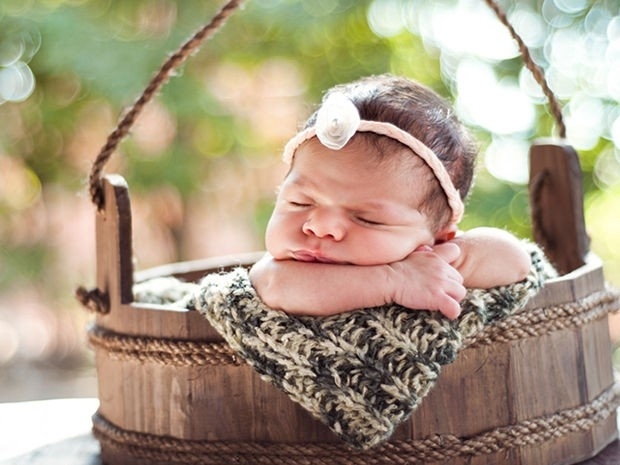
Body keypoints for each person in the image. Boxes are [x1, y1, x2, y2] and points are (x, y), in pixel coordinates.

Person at [249, 74, 531, 320]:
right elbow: (275, 285)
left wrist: (439, 262)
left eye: (367, 218)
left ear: (438, 235)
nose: (320, 226)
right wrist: (393, 281)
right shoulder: (279, 271)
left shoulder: (426, 260)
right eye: (300, 202)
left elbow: (515, 258)